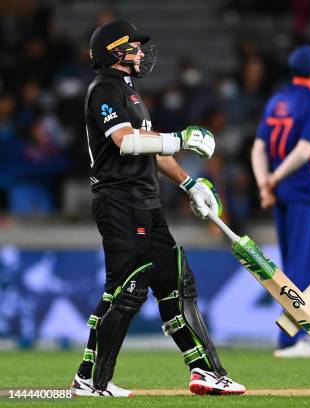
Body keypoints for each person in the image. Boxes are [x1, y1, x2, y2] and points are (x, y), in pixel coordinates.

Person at [70, 20, 245, 397]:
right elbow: (124, 141)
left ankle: (205, 372)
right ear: (114, 52)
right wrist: (181, 138)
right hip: (120, 201)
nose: (139, 52)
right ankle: (92, 381)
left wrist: (190, 183)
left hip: (145, 202)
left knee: (176, 282)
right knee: (126, 289)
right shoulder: (104, 89)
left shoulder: (130, 93)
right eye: (132, 46)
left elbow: (153, 147)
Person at [251, 45, 310, 358]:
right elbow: (305, 151)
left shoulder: (277, 100)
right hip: (305, 192)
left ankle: (293, 337)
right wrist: (275, 179)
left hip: (282, 194)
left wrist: (264, 184)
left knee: (289, 266)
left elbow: (258, 147)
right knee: (302, 266)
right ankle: (293, 339)